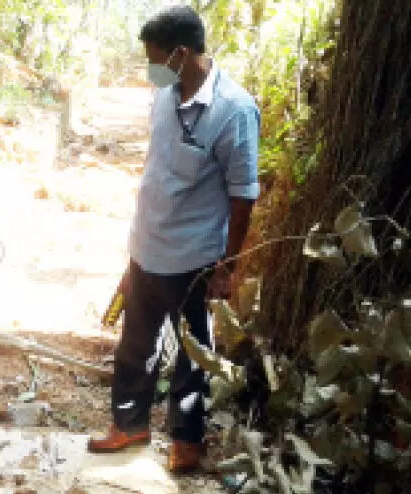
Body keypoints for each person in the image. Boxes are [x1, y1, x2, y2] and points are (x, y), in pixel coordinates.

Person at [87, 6, 260, 474]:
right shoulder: (163, 97)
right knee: (135, 345)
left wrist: (227, 266)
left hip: (196, 258)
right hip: (148, 249)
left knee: (191, 355)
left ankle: (187, 442)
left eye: (155, 57)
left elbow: (243, 196)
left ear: (181, 53)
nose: (151, 68)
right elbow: (156, 173)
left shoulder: (234, 111)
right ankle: (130, 424)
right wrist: (131, 256)